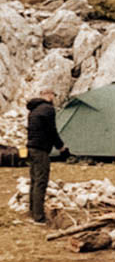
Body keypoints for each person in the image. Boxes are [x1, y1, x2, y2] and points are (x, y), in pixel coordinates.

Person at [26, 89, 68, 225]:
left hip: (31, 148)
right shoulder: (48, 109)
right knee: (41, 181)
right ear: (48, 96)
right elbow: (51, 131)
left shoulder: (33, 109)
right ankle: (39, 217)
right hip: (41, 149)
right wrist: (61, 147)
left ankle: (32, 211)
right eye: (53, 95)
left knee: (34, 180)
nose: (53, 98)